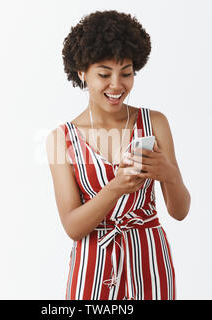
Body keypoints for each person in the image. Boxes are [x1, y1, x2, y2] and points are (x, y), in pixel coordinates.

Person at [46, 10, 191, 300]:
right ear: (82, 72)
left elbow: (179, 211)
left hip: (150, 263)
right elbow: (73, 227)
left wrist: (169, 174)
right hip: (93, 267)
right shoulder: (60, 139)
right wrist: (114, 188)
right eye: (104, 74)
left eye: (126, 73)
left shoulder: (155, 123)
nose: (116, 85)